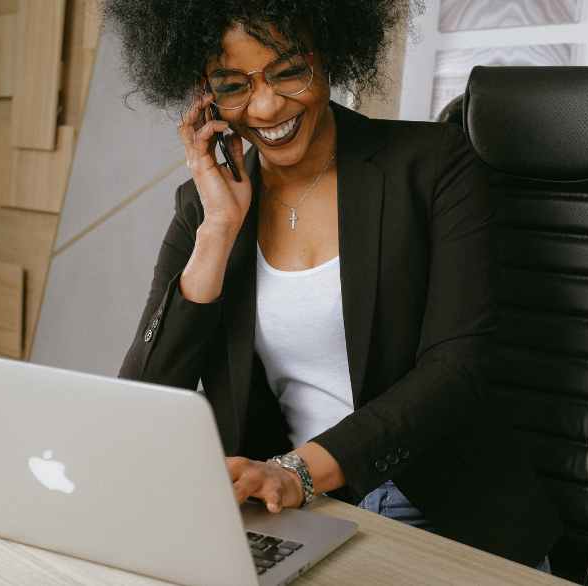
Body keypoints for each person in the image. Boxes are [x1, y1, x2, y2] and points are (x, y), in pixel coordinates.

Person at [105, 1, 562, 572]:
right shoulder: (204, 207)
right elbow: (144, 397)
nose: (267, 106)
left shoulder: (435, 166)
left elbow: (458, 364)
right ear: (205, 95)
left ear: (330, 55)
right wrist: (218, 230)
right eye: (233, 85)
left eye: (289, 71)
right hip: (289, 514)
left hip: (443, 509)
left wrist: (297, 471)